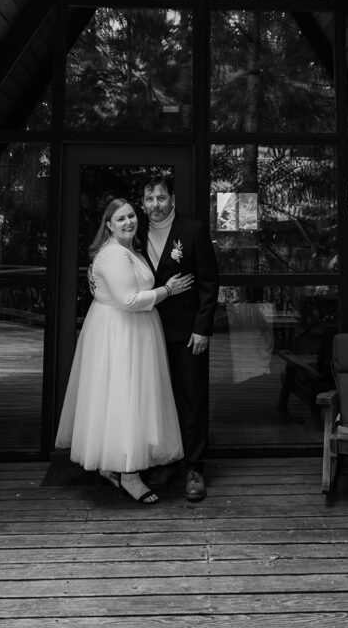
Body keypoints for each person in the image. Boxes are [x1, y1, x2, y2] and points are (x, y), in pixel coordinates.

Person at [55, 197, 194, 504]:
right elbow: (129, 301)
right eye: (120, 218)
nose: (129, 221)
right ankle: (128, 475)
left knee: (126, 399)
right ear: (108, 225)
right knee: (124, 398)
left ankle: (111, 466)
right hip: (121, 335)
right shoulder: (113, 255)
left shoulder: (128, 250)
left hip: (132, 332)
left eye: (131, 215)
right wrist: (168, 290)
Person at [140, 176, 219, 501]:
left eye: (160, 198)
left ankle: (194, 468)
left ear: (172, 199)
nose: (155, 205)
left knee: (192, 398)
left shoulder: (193, 230)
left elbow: (209, 282)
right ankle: (166, 462)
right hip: (148, 332)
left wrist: (202, 328)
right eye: (149, 199)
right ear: (142, 203)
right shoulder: (134, 235)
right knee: (157, 400)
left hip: (188, 333)